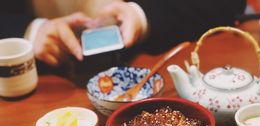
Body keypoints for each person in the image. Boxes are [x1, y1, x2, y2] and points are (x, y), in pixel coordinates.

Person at [0, 0, 247, 67]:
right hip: (37, 79)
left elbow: (226, 4)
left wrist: (141, 14)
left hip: (146, 60)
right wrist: (31, 32)